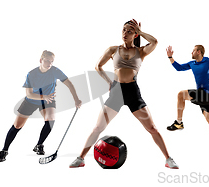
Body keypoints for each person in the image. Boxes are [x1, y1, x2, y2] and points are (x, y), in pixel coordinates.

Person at [69, 19, 178, 169]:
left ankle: (168, 159)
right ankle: (81, 158)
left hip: (133, 93)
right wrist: (108, 81)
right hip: (116, 92)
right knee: (98, 128)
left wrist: (141, 32)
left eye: (129, 31)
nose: (125, 33)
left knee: (152, 128)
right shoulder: (113, 50)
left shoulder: (141, 52)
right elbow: (98, 66)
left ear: (135, 34)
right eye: (124, 30)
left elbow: (155, 42)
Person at [0, 50, 82, 162]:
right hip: (32, 100)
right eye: (47, 61)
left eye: (52, 61)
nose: (49, 64)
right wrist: (44, 97)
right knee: (17, 126)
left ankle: (39, 145)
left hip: (48, 100)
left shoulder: (55, 71)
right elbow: (29, 94)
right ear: (41, 60)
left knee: (50, 119)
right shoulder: (31, 74)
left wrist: (76, 99)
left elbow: (69, 83)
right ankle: (4, 151)